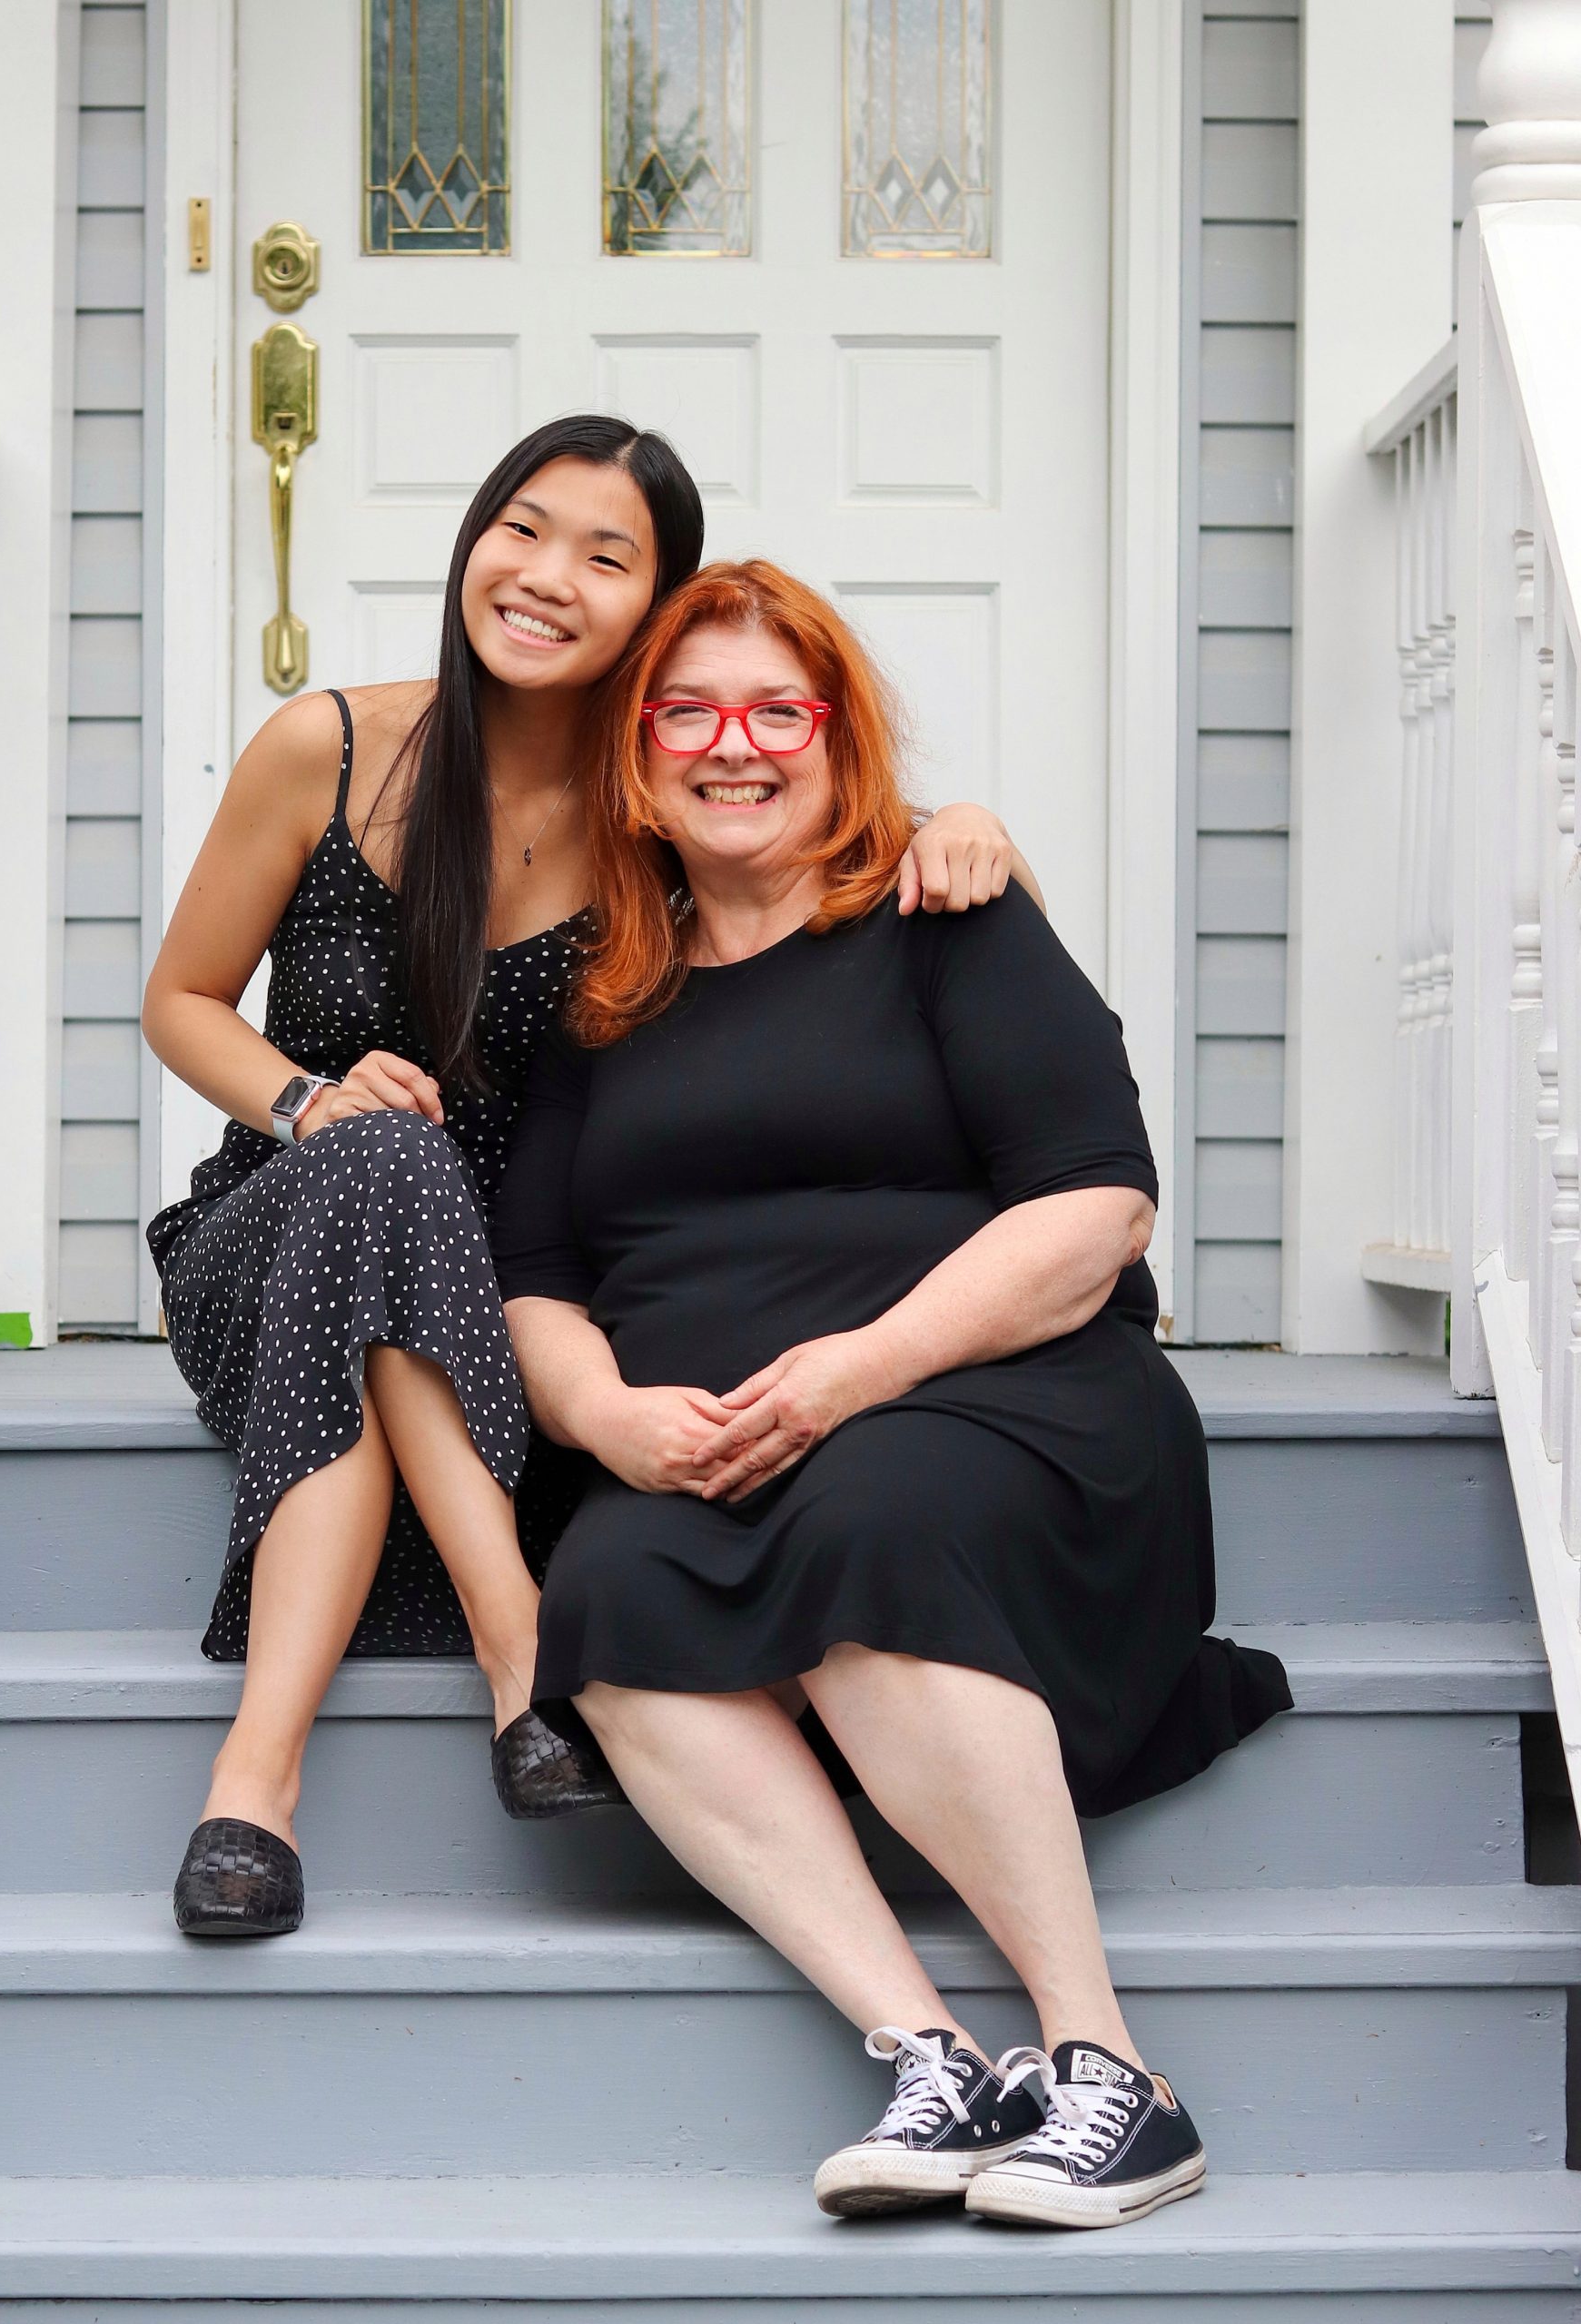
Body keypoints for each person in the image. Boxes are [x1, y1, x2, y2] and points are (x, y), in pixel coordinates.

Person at [141, 419, 1039, 1936]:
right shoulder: (330, 747)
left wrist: (960, 826)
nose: (546, 576)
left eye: (606, 557)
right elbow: (180, 1002)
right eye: (523, 529)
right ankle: (488, 1669)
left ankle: (252, 1799)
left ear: (658, 607)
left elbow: (822, 849)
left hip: (521, 1311)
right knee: (383, 1158)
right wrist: (307, 1100)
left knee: (411, 1186)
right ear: (475, 541)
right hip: (278, 1234)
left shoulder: (659, 816)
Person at [491, 560, 1291, 2231]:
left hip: (1008, 1405)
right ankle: (939, 2060)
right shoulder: (594, 993)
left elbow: (1097, 1207)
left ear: (839, 740)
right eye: (690, 710)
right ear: (637, 748)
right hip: (725, 1452)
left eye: (779, 710)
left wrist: (867, 1367)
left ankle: (1109, 2072)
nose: (735, 747)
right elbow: (543, 1282)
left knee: (866, 1517)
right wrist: (603, 1418)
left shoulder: (947, 916)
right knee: (612, 1589)